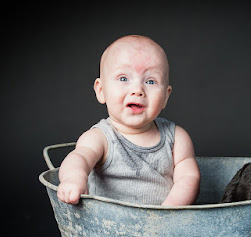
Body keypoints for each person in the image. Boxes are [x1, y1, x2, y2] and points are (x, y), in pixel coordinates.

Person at [57, 35, 200, 206]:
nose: (138, 90)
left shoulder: (177, 138)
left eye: (150, 81)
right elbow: (79, 158)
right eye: (123, 78)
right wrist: (73, 179)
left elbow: (189, 178)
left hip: (164, 227)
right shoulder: (100, 137)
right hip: (107, 226)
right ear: (101, 90)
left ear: (165, 96)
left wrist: (166, 214)